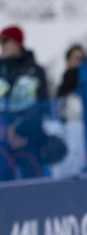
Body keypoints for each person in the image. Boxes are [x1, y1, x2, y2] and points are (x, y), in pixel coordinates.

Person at [0, 25, 51, 180]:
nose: (2, 45)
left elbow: (43, 106)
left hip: (28, 138)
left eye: (5, 41)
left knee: (33, 185)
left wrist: (17, 130)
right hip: (2, 140)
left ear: (17, 43)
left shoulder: (36, 71)